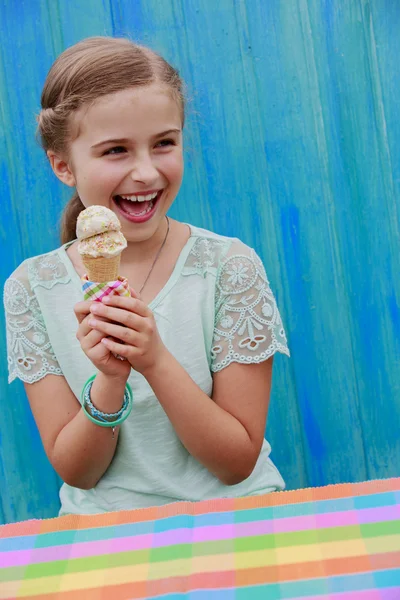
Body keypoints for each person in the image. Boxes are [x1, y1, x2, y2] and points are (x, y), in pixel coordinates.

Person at [3, 37, 290, 516]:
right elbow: (79, 472)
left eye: (164, 144)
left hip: (236, 516)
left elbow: (236, 461)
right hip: (106, 532)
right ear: (62, 165)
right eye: (116, 150)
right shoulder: (32, 289)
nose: (145, 171)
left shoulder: (228, 268)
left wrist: (154, 360)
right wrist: (110, 380)